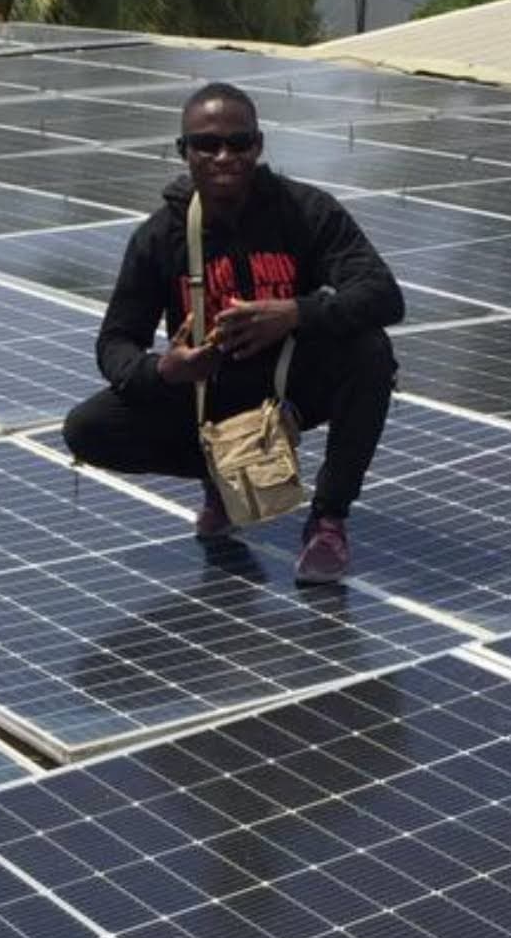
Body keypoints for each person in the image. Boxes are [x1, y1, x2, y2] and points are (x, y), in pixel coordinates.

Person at [63, 82, 404, 583]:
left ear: (258, 145)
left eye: (239, 142)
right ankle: (222, 479)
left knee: (370, 352)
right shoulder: (161, 236)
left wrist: (295, 312)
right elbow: (115, 342)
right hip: (207, 390)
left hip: (291, 386)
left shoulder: (304, 211)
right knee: (88, 429)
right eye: (207, 144)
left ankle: (329, 520)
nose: (224, 156)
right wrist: (164, 369)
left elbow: (383, 295)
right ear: (184, 151)